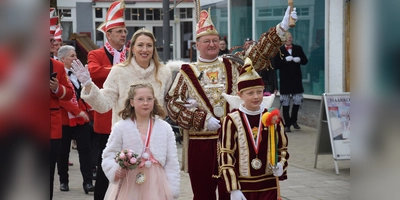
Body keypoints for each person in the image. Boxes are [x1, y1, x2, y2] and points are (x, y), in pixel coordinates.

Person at [165, 7, 297, 200]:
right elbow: (173, 104)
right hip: (201, 143)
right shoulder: (187, 72)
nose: (211, 44)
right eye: (206, 41)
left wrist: (281, 27)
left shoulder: (233, 64)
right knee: (203, 194)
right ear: (197, 45)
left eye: (215, 40)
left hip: (235, 141)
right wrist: (201, 119)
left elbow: (258, 55)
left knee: (232, 191)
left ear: (220, 42)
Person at [217, 58, 289, 200]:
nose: (256, 97)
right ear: (240, 95)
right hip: (243, 186)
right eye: (250, 93)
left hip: (268, 184)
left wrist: (281, 165)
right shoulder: (231, 120)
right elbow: (225, 154)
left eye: (259, 92)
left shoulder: (272, 118)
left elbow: (283, 148)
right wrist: (233, 188)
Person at [80, 1, 128, 199]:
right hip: (105, 117)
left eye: (125, 31)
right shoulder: (96, 54)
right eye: (119, 31)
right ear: (108, 35)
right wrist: (120, 70)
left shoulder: (131, 54)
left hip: (127, 118)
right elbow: (94, 73)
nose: (124, 35)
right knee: (105, 168)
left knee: (127, 166)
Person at [101, 83, 180, 199]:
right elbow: (109, 155)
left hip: (157, 183)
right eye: (140, 99)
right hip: (129, 184)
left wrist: (172, 188)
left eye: (149, 99)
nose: (145, 103)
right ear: (132, 102)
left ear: (154, 100)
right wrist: (115, 170)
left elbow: (171, 161)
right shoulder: (121, 127)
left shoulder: (165, 128)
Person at [57, 45, 95, 194]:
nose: (75, 58)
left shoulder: (77, 73)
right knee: (63, 152)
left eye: (75, 55)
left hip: (81, 119)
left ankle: (87, 182)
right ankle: (63, 181)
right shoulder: (57, 74)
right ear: (63, 59)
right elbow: (60, 98)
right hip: (65, 119)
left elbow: (85, 93)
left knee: (85, 150)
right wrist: (77, 112)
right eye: (72, 56)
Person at [50, 7, 75, 200]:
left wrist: (57, 88)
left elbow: (68, 94)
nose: (53, 45)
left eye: (53, 41)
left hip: (50, 126)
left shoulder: (57, 66)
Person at [273, 32, 308, 132]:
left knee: (297, 101)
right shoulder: (279, 50)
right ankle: (287, 124)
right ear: (283, 39)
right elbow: (275, 65)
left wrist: (300, 59)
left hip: (296, 80)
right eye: (287, 37)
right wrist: (285, 60)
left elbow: (305, 61)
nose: (289, 39)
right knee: (285, 103)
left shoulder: (298, 48)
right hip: (285, 80)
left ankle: (294, 121)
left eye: (290, 37)